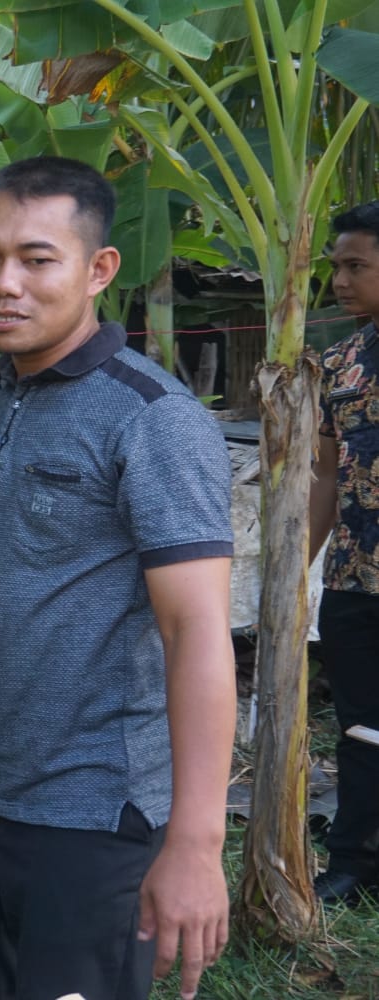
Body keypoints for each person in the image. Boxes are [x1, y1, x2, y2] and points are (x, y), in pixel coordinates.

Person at [0, 157, 235, 1000]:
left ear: (97, 269)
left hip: (94, 814)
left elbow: (198, 631)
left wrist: (194, 845)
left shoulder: (152, 421)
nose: (4, 283)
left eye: (38, 259)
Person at [308, 201, 379, 905]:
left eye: (356, 266)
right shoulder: (341, 363)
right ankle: (356, 861)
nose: (339, 280)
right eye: (336, 266)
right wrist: (297, 561)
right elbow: (326, 474)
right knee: (360, 727)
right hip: (355, 581)